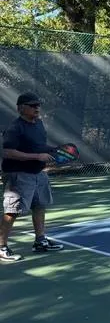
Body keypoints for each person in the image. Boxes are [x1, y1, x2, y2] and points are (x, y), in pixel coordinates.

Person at [0, 92, 63, 262]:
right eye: (33, 105)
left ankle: (40, 241)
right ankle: (1, 246)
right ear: (21, 108)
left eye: (38, 105)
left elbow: (39, 146)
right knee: (12, 211)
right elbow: (8, 152)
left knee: (40, 206)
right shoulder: (15, 128)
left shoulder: (39, 124)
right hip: (19, 175)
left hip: (38, 174)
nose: (37, 108)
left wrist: (53, 150)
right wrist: (37, 156)